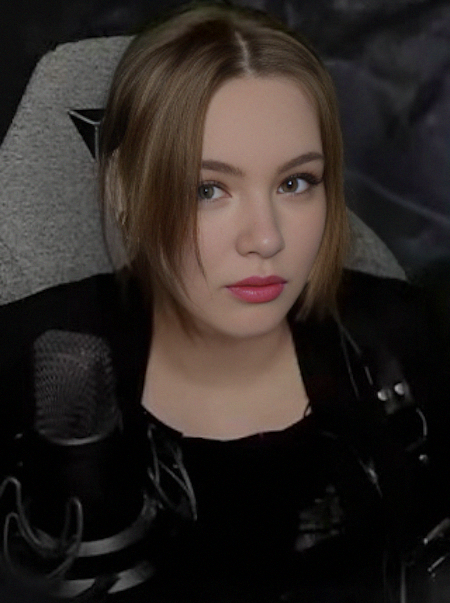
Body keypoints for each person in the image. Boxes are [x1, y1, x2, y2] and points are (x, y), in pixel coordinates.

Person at [1, 3, 449, 602]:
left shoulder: (398, 336)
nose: (265, 238)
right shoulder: (27, 359)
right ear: (125, 191)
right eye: (208, 189)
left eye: (295, 183)